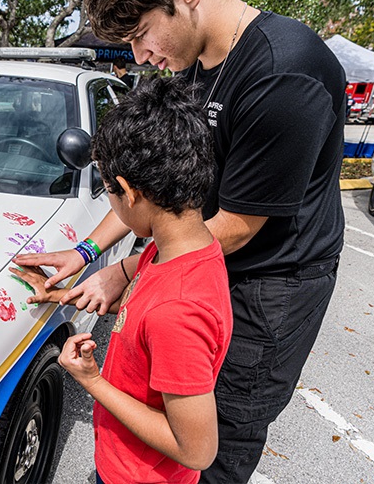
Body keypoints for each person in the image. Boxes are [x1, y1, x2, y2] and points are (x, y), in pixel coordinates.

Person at [14, 0, 345, 481]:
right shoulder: (186, 64)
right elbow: (154, 189)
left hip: (268, 283)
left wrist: (126, 272)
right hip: (186, 256)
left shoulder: (283, 73)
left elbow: (236, 224)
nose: (143, 57)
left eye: (144, 34)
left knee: (218, 439)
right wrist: (85, 253)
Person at [12, 76, 232, 484]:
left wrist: (90, 380)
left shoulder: (178, 310)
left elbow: (197, 450)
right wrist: (57, 294)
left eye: (110, 194)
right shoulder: (178, 249)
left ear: (128, 192)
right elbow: (139, 309)